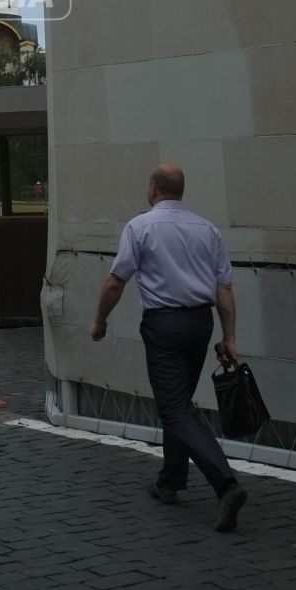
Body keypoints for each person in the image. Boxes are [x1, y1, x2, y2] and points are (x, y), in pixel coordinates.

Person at [88, 163, 248, 534]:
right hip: (200, 323)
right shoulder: (206, 229)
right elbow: (224, 289)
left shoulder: (140, 227)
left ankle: (226, 483)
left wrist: (99, 321)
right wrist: (230, 336)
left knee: (174, 408)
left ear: (153, 189)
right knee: (179, 404)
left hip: (164, 325)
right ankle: (170, 481)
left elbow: (115, 283)